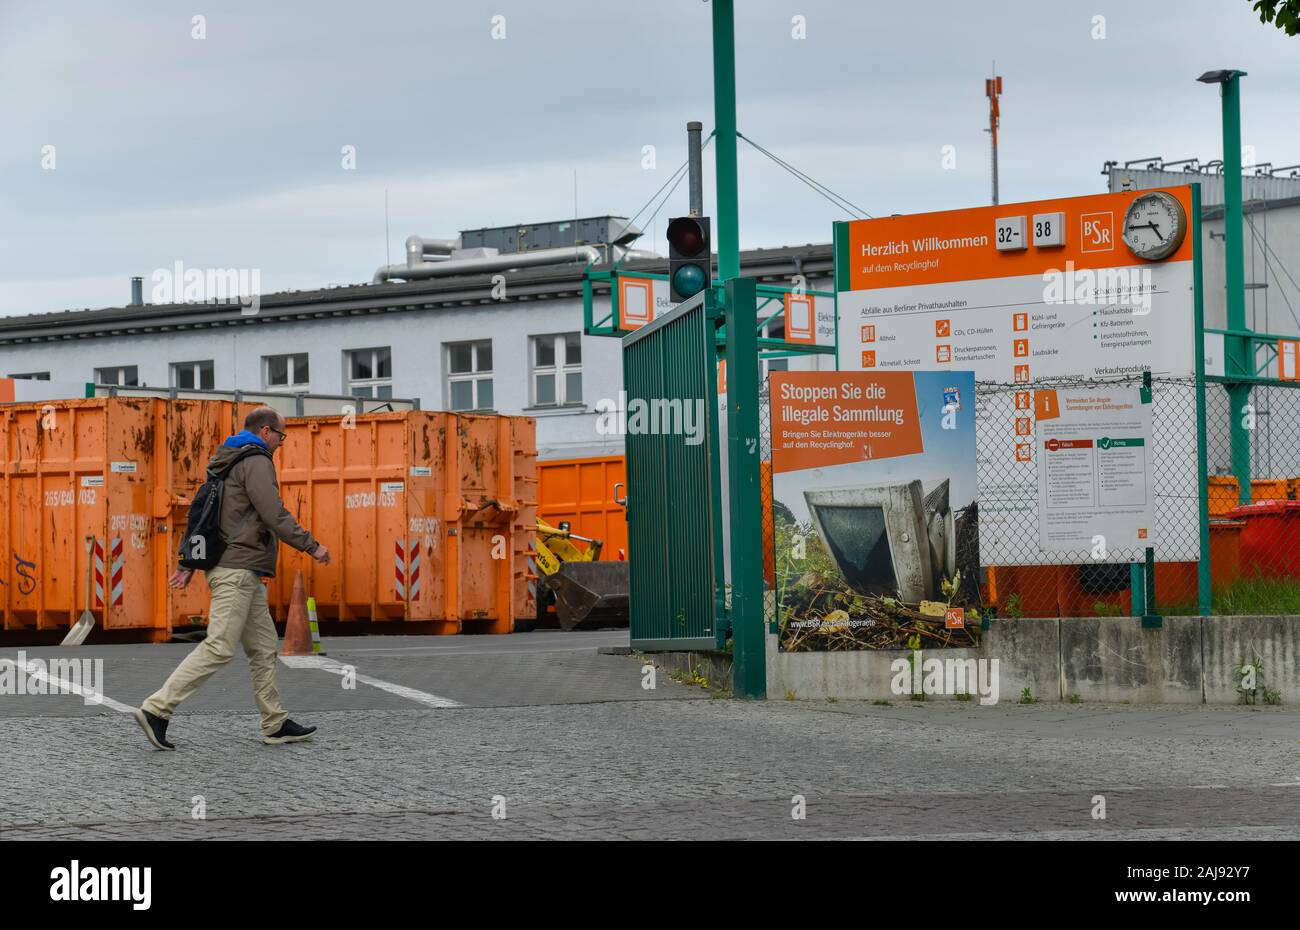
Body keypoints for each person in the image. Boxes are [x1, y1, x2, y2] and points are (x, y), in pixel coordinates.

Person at [133, 406, 330, 750]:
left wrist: (189, 562)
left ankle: (275, 723)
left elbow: (205, 516)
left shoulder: (227, 460)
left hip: (242, 570)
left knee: (263, 647)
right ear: (266, 432)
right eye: (281, 435)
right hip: (236, 569)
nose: (282, 443)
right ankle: (157, 709)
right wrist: (311, 546)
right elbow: (273, 512)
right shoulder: (256, 460)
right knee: (220, 646)